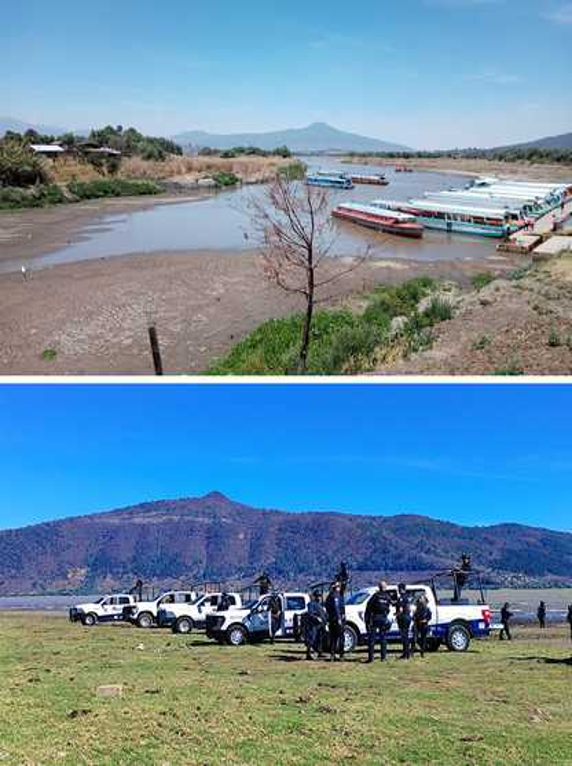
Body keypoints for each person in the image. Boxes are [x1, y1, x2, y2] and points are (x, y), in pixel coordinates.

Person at [364, 580, 393, 663]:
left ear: (379, 587)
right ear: (385, 587)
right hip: (383, 618)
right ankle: (383, 657)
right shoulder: (387, 597)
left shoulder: (375, 596)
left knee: (372, 638)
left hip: (375, 617)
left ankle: (371, 658)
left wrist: (368, 618)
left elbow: (369, 606)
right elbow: (388, 608)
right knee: (383, 638)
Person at [325, 581, 345, 661]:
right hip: (337, 620)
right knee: (340, 637)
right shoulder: (336, 596)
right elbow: (336, 608)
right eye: (339, 586)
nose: (340, 588)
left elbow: (327, 607)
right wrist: (339, 618)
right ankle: (341, 655)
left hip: (331, 620)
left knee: (333, 638)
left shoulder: (329, 596)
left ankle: (332, 654)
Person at [305, 591, 327, 660]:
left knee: (320, 639)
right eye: (317, 596)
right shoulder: (311, 604)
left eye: (320, 596)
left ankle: (320, 652)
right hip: (313, 624)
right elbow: (310, 614)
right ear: (314, 597)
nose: (319, 597)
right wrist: (317, 618)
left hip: (321, 624)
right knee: (312, 639)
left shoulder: (320, 605)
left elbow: (324, 614)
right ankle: (308, 654)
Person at [395, 583, 413, 660]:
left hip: (403, 618)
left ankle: (406, 654)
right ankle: (405, 653)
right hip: (407, 617)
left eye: (399, 589)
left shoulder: (402, 598)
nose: (398, 590)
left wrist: (396, 614)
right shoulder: (407, 596)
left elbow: (401, 609)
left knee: (404, 636)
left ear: (401, 589)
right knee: (405, 636)